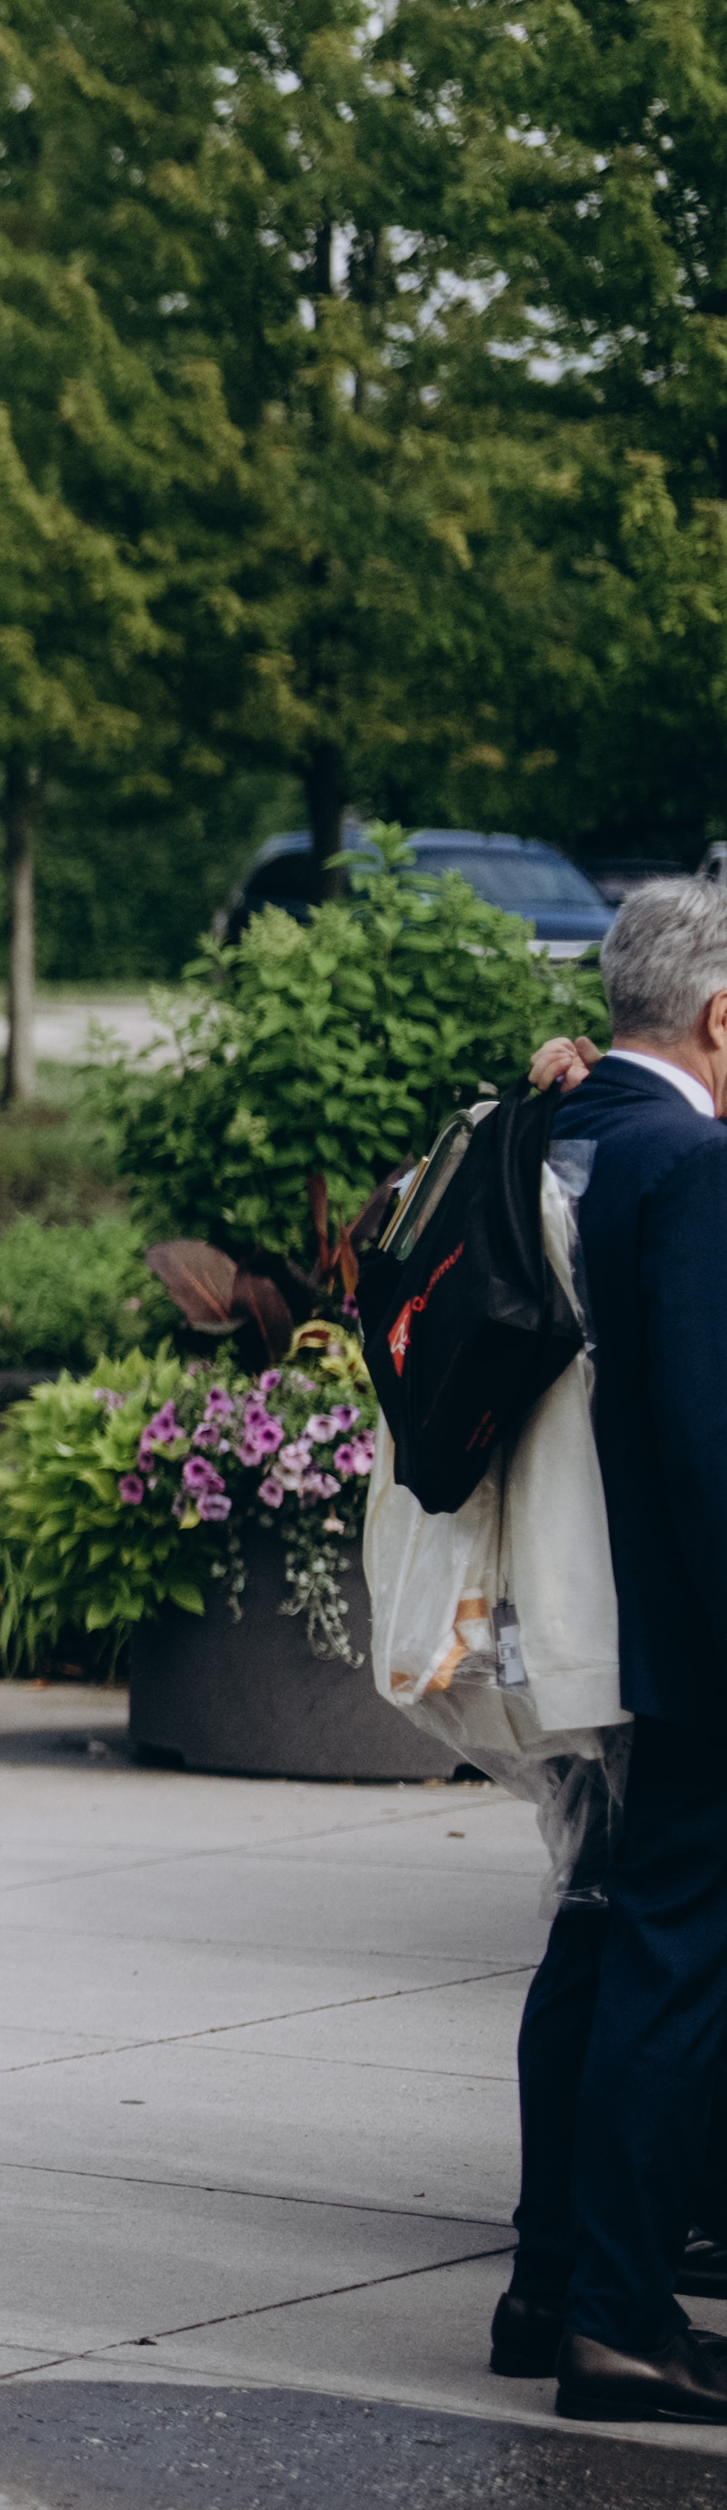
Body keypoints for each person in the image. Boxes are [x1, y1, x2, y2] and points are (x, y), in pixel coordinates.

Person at [531, 878, 727, 2421]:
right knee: (670, 1959)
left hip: (605, 1620)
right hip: (690, 1631)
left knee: (617, 1938)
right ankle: (611, 2312)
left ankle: (571, 2287)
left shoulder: (578, 1128)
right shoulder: (690, 1161)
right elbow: (704, 1436)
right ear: (719, 1015)